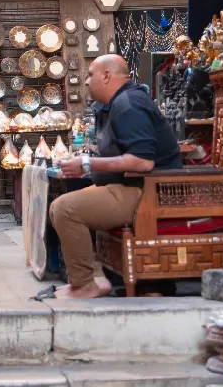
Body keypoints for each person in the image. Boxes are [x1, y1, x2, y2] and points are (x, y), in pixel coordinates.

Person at [50, 54, 182, 299]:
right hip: (126, 186)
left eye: (90, 75)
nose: (87, 82)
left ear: (107, 76)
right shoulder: (116, 104)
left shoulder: (129, 104)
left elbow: (142, 161)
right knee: (62, 204)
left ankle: (84, 285)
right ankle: (92, 279)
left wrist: (87, 163)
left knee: (65, 209)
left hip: (146, 192)